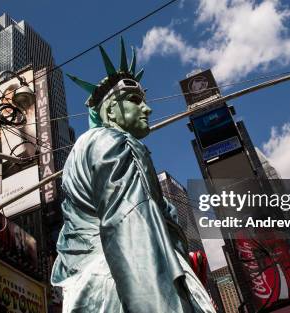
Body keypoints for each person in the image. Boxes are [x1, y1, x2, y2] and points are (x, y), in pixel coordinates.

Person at [50, 38, 216, 313]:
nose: (147, 109)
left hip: (94, 289)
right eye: (135, 100)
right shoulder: (114, 142)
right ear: (111, 110)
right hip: (128, 288)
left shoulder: (89, 146)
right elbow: (131, 229)